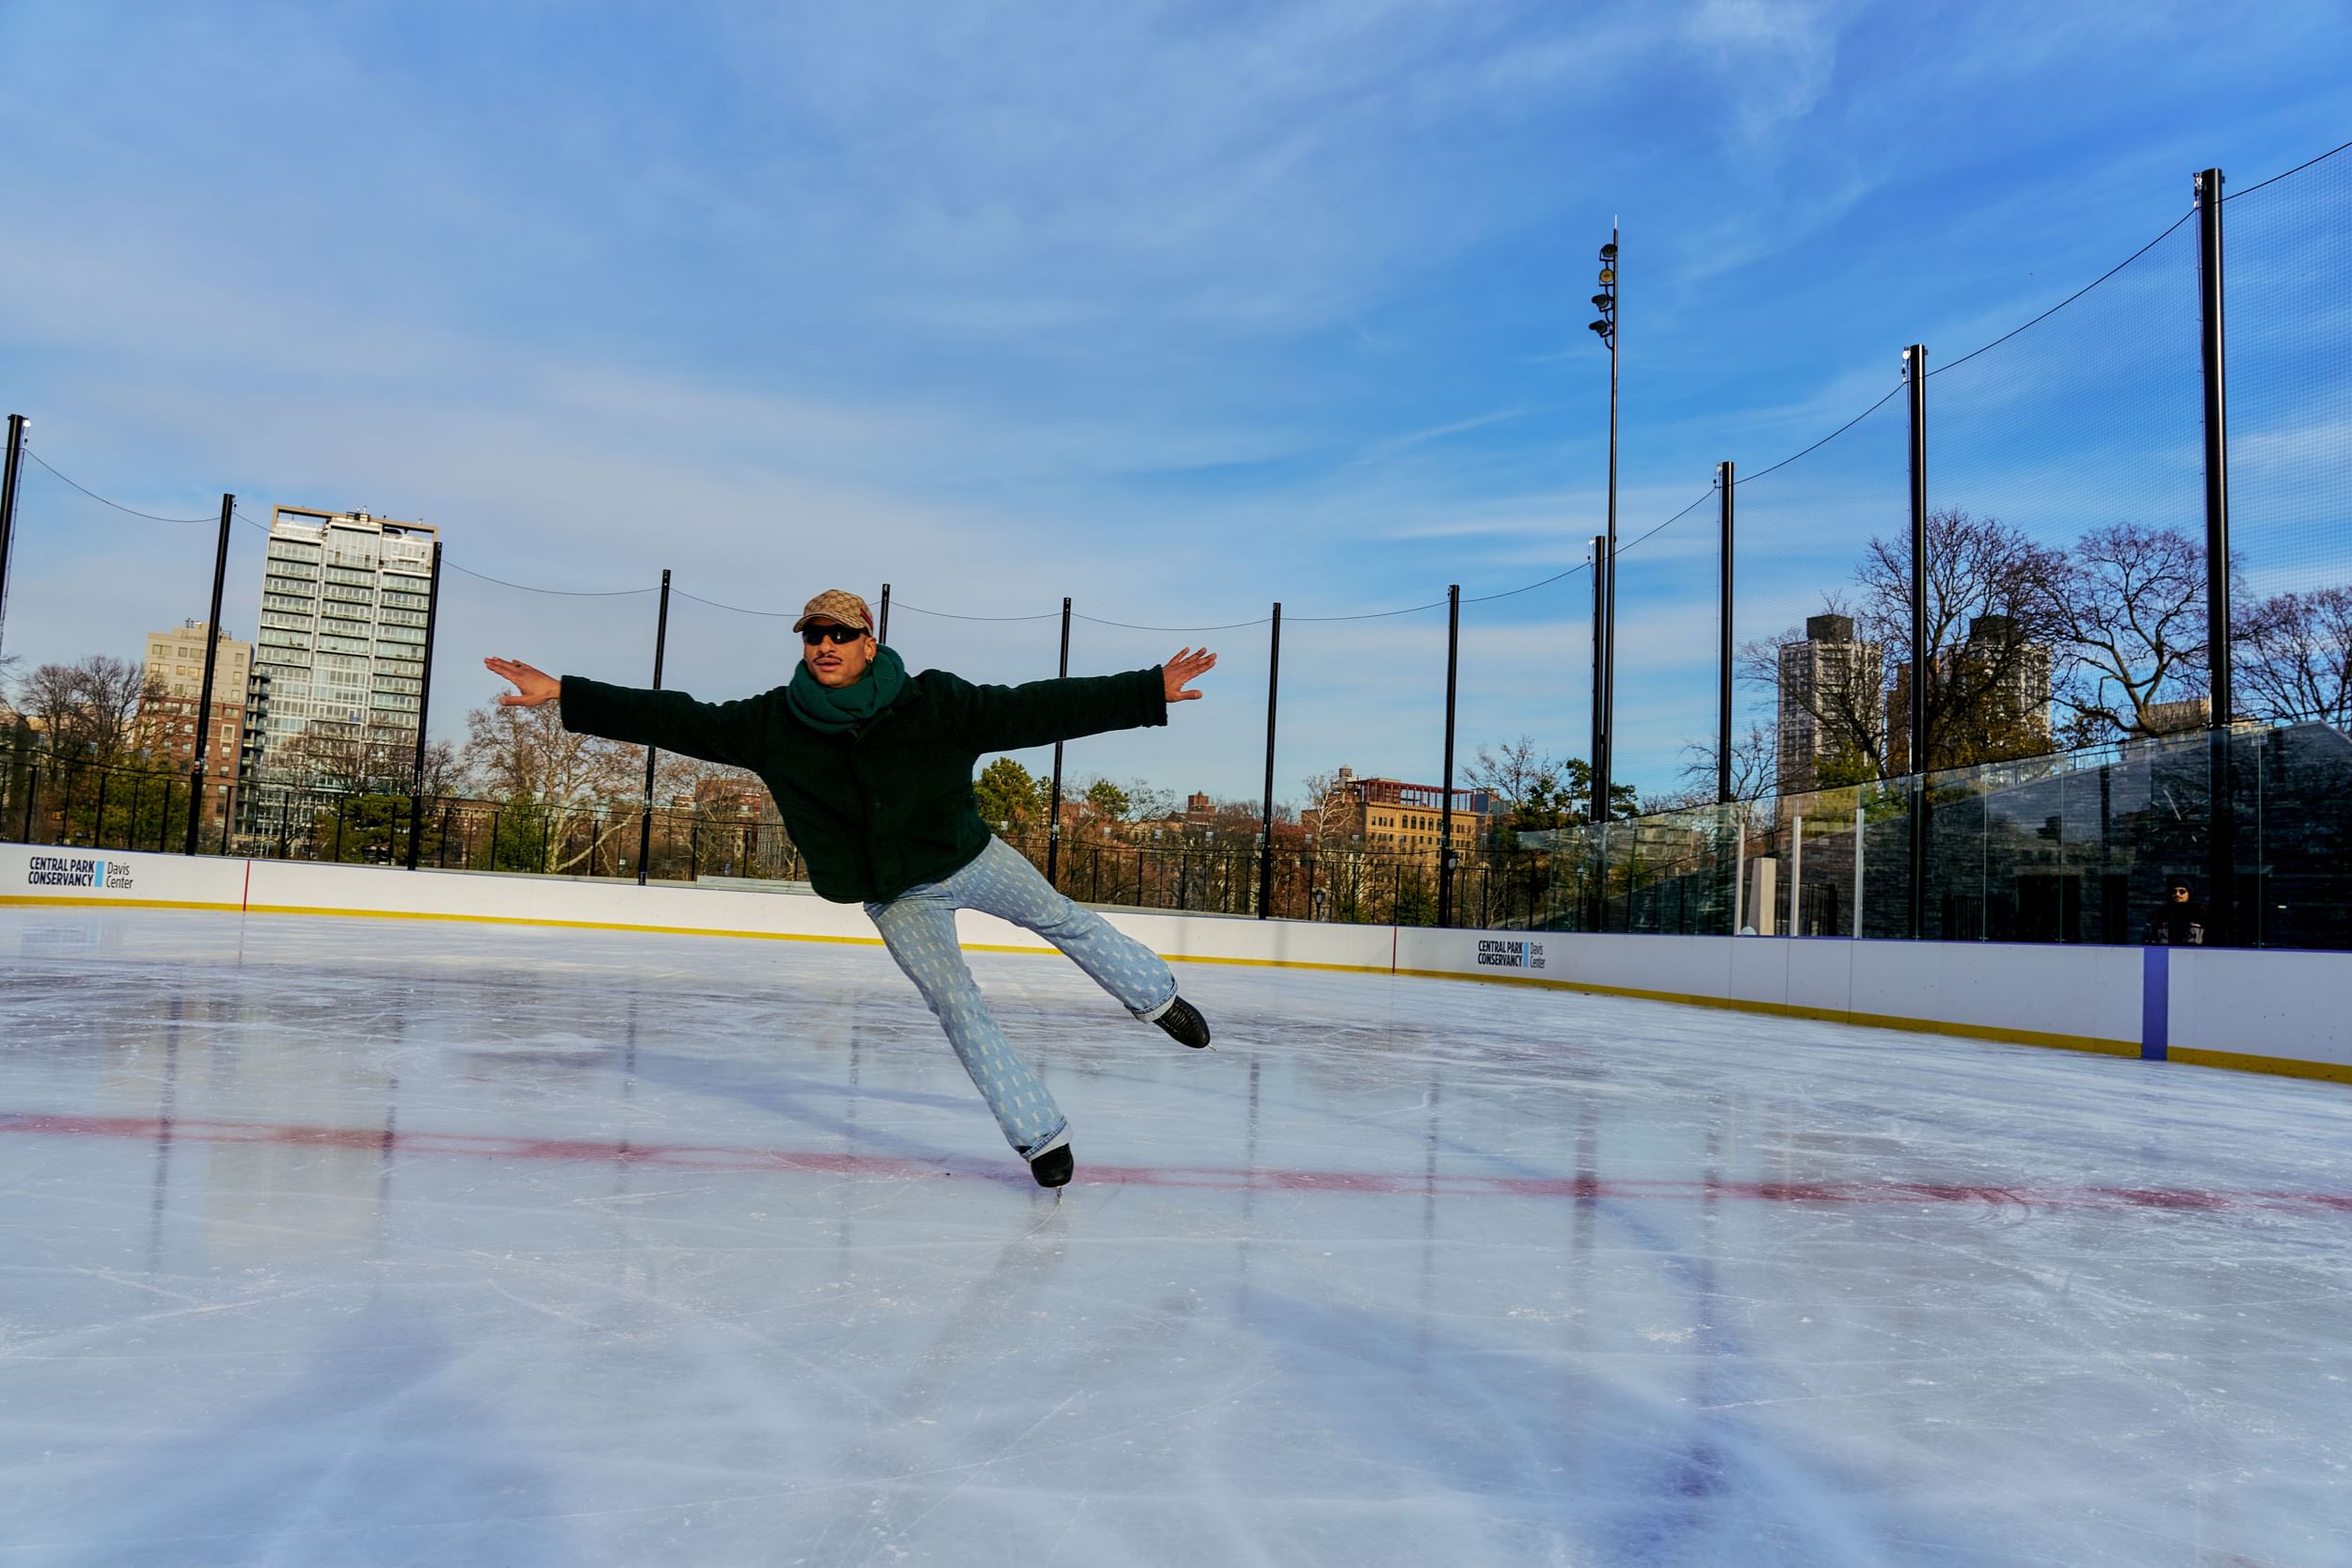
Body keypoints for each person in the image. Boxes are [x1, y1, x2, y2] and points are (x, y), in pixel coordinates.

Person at [485, 590, 1217, 1190]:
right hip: (893, 893)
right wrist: (564, 694)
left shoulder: (935, 702)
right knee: (957, 1004)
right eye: (813, 636)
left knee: (1063, 918)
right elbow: (677, 718)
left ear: (871, 642)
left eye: (840, 633)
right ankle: (1040, 1136)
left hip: (966, 855)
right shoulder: (773, 723)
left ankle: (1156, 998)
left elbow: (1035, 707)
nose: (825, 646)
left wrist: (1146, 689)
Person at [2149, 880, 2208, 946]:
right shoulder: (2160, 913)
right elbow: (2151, 938)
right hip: (2167, 952)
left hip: (2195, 953)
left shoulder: (2200, 913)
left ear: (2189, 893)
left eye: (2182, 891)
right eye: (2174, 892)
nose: (2177, 894)